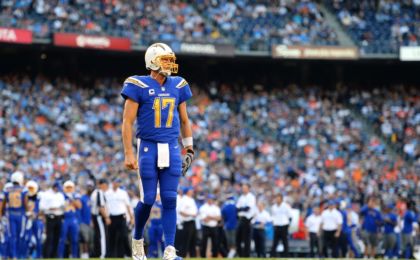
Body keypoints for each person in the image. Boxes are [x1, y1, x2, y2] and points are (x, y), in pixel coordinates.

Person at [121, 42, 194, 260]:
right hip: (148, 145)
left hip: (171, 146)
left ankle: (170, 250)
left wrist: (189, 146)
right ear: (152, 61)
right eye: (165, 60)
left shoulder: (178, 85)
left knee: (170, 198)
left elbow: (184, 119)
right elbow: (127, 121)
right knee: (149, 198)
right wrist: (128, 153)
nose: (170, 65)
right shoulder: (138, 84)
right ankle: (137, 242)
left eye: (171, 60)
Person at [0, 171, 27, 259]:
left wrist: (2, 213)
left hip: (10, 215)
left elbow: (4, 204)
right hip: (20, 215)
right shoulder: (24, 189)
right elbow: (25, 203)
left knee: (12, 236)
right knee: (20, 235)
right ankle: (18, 255)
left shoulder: (7, 189)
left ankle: (13, 255)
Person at [105, 178, 134, 257]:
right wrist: (107, 217)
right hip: (111, 217)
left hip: (122, 216)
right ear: (112, 183)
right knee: (112, 236)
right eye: (115, 182)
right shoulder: (107, 193)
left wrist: (131, 217)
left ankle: (126, 254)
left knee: (124, 235)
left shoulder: (123, 193)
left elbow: (128, 205)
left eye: (118, 182)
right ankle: (111, 255)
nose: (116, 184)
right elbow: (105, 206)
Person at [40, 181, 65, 258]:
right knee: (49, 237)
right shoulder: (46, 194)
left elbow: (63, 206)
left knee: (57, 237)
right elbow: (42, 207)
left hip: (59, 217)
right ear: (54, 187)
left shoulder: (60, 195)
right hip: (50, 217)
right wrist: (50, 208)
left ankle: (54, 255)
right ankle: (46, 256)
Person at [58, 180, 82, 258]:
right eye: (67, 187)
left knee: (75, 239)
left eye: (70, 187)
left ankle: (74, 256)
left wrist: (71, 198)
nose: (68, 189)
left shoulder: (75, 195)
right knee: (62, 239)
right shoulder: (61, 196)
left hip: (73, 219)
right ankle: (60, 256)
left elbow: (79, 206)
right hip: (64, 218)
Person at [21, 180, 43, 259]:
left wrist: (36, 214)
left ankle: (38, 256)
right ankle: (25, 255)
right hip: (27, 219)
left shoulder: (39, 197)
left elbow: (42, 209)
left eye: (32, 188)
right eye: (29, 188)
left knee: (38, 238)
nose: (30, 190)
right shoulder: (24, 196)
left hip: (36, 220)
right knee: (26, 238)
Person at [91, 178, 111, 259]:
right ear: (102, 185)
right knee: (102, 236)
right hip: (100, 217)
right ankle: (102, 254)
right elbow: (101, 207)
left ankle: (97, 253)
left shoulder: (95, 192)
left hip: (96, 216)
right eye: (105, 185)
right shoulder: (100, 192)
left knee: (98, 235)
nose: (106, 187)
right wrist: (106, 217)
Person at [236, 183, 256, 257]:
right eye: (243, 188)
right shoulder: (241, 197)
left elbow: (247, 208)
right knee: (238, 239)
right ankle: (240, 255)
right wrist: (242, 209)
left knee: (246, 239)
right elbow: (237, 208)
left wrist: (241, 209)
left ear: (248, 189)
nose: (243, 189)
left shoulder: (251, 197)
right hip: (240, 219)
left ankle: (246, 256)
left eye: (245, 188)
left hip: (247, 219)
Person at [177, 187, 198, 257]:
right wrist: (191, 215)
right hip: (186, 223)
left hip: (193, 222)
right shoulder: (184, 199)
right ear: (188, 191)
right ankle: (182, 257)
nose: (192, 191)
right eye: (191, 190)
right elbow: (181, 212)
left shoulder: (191, 199)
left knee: (193, 242)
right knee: (185, 242)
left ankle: (193, 257)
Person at [270, 193, 293, 258]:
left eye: (279, 198)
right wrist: (274, 224)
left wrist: (288, 225)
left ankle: (286, 256)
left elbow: (290, 216)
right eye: (276, 198)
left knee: (285, 242)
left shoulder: (286, 206)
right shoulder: (273, 207)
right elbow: (273, 216)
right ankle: (273, 256)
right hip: (277, 225)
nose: (277, 199)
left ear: (281, 199)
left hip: (284, 225)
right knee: (275, 242)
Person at [79, 181, 94, 259]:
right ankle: (84, 255)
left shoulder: (94, 197)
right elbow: (80, 210)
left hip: (93, 222)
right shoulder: (82, 198)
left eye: (91, 186)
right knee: (85, 239)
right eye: (88, 186)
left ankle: (90, 254)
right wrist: (80, 222)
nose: (89, 188)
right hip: (84, 222)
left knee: (91, 240)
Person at [147, 192, 164, 258]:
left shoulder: (162, 204)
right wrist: (148, 222)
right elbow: (147, 214)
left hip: (160, 224)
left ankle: (164, 254)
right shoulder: (150, 204)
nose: (157, 196)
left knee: (161, 241)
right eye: (157, 195)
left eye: (158, 195)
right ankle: (153, 254)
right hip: (152, 224)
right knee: (152, 240)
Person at [221, 193, 237, 258]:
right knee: (233, 241)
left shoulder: (224, 206)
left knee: (229, 241)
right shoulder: (235, 206)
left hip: (227, 225)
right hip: (234, 226)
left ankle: (231, 254)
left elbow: (223, 216)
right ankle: (232, 254)